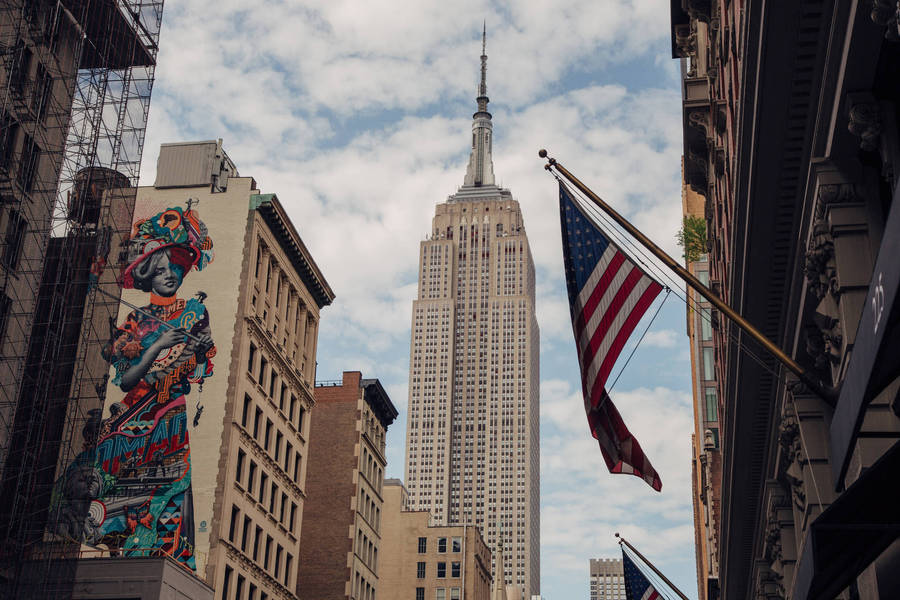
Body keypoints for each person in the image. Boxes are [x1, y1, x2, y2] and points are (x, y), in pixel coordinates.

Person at [52, 203, 215, 570]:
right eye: (159, 269)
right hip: (136, 415)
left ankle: (159, 554)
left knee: (168, 494)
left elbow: (196, 361)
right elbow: (126, 379)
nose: (169, 273)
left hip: (169, 417)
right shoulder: (133, 322)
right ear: (146, 276)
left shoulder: (195, 311)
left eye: (174, 266)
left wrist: (185, 357)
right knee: (93, 484)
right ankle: (107, 534)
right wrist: (157, 346)